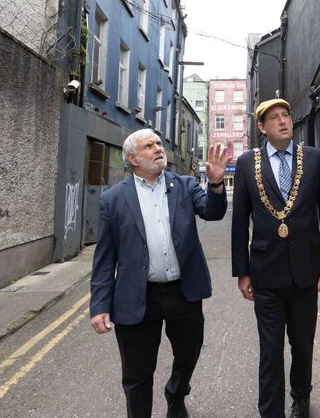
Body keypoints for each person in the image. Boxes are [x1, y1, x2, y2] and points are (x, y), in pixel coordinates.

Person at [90, 129, 230, 418]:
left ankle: (176, 393)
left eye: (158, 143)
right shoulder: (113, 200)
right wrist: (99, 305)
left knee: (189, 354)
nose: (158, 148)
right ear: (132, 158)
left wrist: (216, 184)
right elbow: (105, 258)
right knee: (137, 374)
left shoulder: (185, 185)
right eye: (148, 146)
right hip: (137, 295)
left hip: (183, 291)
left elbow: (212, 213)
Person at [232, 98, 320, 418]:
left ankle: (301, 398)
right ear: (262, 128)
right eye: (274, 118)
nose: (283, 121)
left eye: (286, 115)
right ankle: (270, 412)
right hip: (265, 272)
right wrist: (242, 272)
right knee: (270, 351)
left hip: (306, 270)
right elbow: (240, 223)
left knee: (303, 345)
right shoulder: (245, 164)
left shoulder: (314, 158)